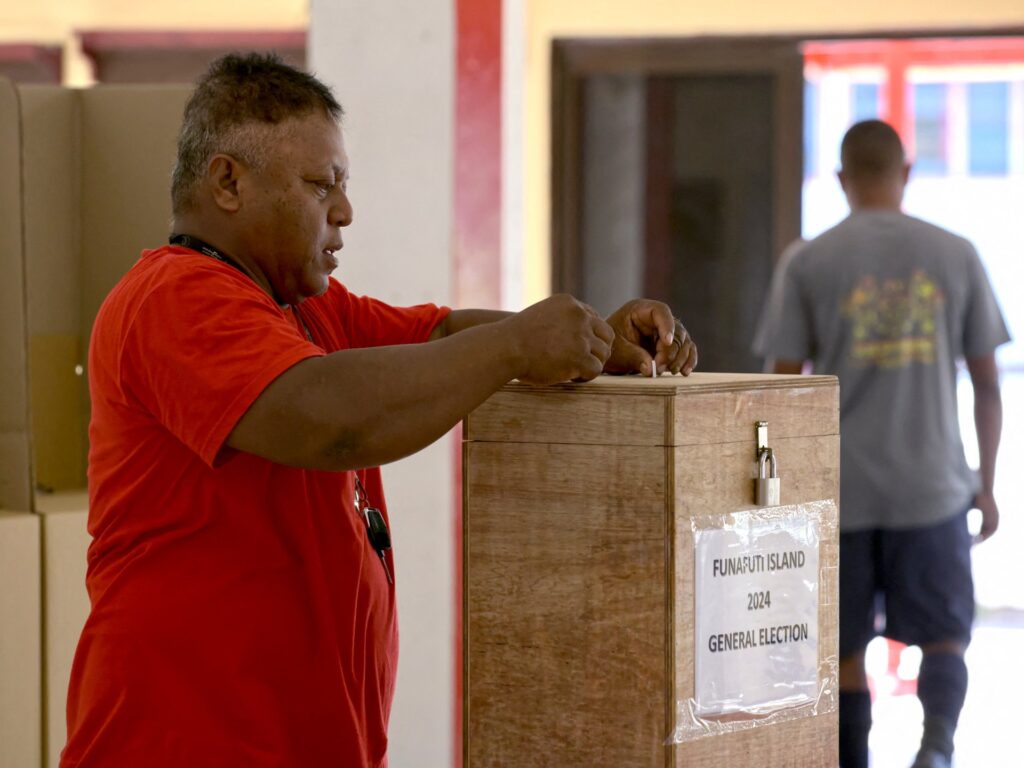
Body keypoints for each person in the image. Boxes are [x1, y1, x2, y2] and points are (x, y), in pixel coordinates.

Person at [60, 53, 697, 768]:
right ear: (228, 183)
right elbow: (331, 420)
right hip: (184, 742)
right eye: (319, 185)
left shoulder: (304, 309)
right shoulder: (173, 300)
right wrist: (517, 347)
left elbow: (443, 337)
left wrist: (591, 341)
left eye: (344, 186)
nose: (344, 212)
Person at [754, 119, 1008, 768]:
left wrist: (780, 497)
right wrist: (988, 481)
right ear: (907, 174)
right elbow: (986, 384)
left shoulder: (807, 262)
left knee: (840, 649)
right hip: (933, 488)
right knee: (946, 634)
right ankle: (936, 749)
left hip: (842, 492)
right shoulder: (956, 254)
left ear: (842, 179)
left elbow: (782, 390)